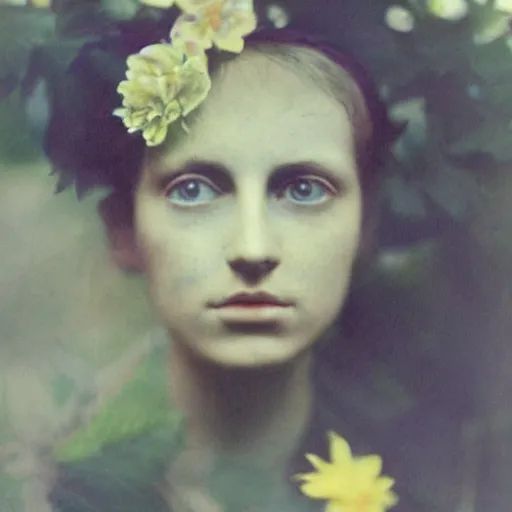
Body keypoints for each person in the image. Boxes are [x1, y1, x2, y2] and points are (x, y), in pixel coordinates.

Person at [3, 1, 467, 511]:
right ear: (124, 230)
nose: (253, 249)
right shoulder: (41, 485)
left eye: (305, 189)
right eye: (194, 190)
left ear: (366, 226)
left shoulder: (454, 463)